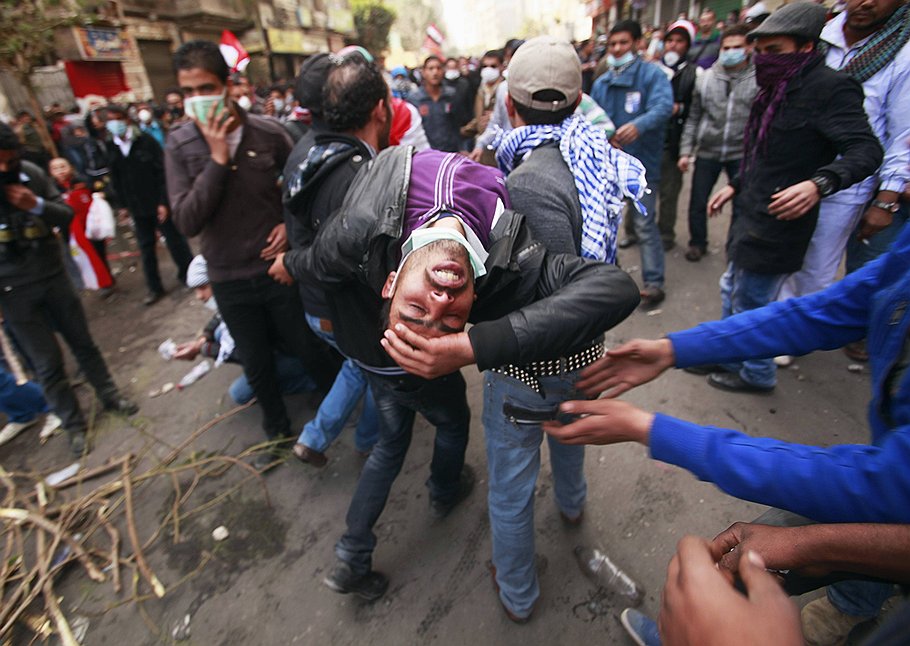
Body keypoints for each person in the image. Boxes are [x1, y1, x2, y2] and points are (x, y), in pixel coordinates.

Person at [277, 144, 640, 603]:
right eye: (449, 323)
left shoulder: (358, 233)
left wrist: (285, 262)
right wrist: (475, 345)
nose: (441, 303)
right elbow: (616, 287)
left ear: (390, 282)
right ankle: (522, 589)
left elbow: (314, 263)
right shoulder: (510, 266)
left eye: (413, 308)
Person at [544, 218, 910, 642]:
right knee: (755, 556)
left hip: (882, 484)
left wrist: (654, 431)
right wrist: (676, 348)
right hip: (887, 479)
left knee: (734, 566)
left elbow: (880, 486)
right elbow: (828, 311)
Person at [490, 35, 645, 623]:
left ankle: (519, 595)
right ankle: (574, 506)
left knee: (510, 486)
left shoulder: (527, 180)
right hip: (585, 352)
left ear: (511, 103)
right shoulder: (597, 158)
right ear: (580, 101)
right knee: (571, 432)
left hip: (529, 362)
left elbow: (539, 293)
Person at [166, 40, 338, 469]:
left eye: (204, 87)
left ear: (227, 86)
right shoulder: (181, 144)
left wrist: (287, 223)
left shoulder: (267, 132)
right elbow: (186, 220)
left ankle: (336, 410)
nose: (196, 100)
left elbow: (304, 186)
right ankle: (276, 435)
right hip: (228, 277)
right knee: (257, 364)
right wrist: (218, 160)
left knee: (308, 346)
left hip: (278, 270)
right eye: (187, 92)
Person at [700, 1, 883, 394]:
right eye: (760, 52)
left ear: (805, 48)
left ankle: (757, 373)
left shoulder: (830, 89)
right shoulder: (773, 88)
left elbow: (866, 151)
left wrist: (819, 183)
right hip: (750, 210)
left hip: (781, 220)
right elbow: (762, 151)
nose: (764, 60)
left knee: (755, 302)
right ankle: (730, 355)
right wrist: (736, 184)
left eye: (775, 51)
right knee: (732, 288)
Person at [272, 53, 382, 467]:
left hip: (315, 298)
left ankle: (319, 437)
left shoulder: (312, 149)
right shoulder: (345, 165)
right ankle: (368, 440)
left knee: (359, 365)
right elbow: (340, 251)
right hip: (331, 298)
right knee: (370, 366)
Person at [0, 123, 137, 456]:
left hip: (53, 277)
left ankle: (110, 396)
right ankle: (73, 423)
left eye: (10, 160)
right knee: (45, 363)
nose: (6, 169)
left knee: (83, 344)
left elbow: (65, 215)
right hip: (12, 292)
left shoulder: (29, 174)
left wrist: (35, 205)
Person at [775, 0, 910, 304]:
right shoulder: (818, 35)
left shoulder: (903, 54)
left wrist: (886, 200)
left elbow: (902, 134)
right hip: (793, 169)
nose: (866, 2)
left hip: (846, 185)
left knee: (816, 268)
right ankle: (771, 326)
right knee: (779, 256)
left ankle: (795, 334)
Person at [590, 19, 673, 307]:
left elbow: (664, 107)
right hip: (609, 165)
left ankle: (654, 282)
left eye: (623, 43)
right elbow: (592, 118)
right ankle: (609, 283)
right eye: (612, 44)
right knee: (606, 222)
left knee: (645, 222)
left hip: (643, 163)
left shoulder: (652, 75)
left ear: (637, 43)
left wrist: (638, 126)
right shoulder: (601, 83)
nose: (617, 49)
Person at [176, 255, 316, 405]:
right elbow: (219, 317)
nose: (199, 296)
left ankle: (315, 380)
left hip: (290, 354)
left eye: (203, 288)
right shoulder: (237, 294)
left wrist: (204, 349)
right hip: (281, 348)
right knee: (217, 333)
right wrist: (204, 338)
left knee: (240, 393)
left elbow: (251, 354)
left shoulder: (248, 306)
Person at [678, 23, 758, 262]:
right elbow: (694, 117)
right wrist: (685, 151)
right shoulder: (706, 80)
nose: (730, 52)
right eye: (726, 47)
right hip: (708, 150)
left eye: (737, 47)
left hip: (741, 152)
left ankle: (735, 247)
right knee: (698, 201)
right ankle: (697, 243)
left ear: (748, 48)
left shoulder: (760, 80)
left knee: (741, 204)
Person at [105, 104, 193, 305]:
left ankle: (188, 274)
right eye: (110, 120)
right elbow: (115, 179)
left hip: (157, 203)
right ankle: (154, 287)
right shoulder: (112, 146)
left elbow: (163, 173)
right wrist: (123, 206)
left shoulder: (145, 141)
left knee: (174, 240)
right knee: (146, 247)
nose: (114, 124)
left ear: (127, 119)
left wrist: (164, 202)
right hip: (136, 207)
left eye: (117, 118)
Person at [656, 20, 700, 251]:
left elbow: (695, 110)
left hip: (673, 142)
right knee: (640, 191)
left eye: (679, 41)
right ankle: (634, 231)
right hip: (651, 142)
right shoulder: (653, 71)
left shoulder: (694, 74)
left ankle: (665, 234)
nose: (673, 46)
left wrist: (678, 109)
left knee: (669, 193)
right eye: (670, 40)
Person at [48, 157, 114, 292]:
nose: (60, 171)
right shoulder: (52, 190)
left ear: (70, 167)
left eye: (62, 166)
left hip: (91, 227)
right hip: (70, 232)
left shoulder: (82, 182)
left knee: (98, 253)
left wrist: (101, 195)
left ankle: (106, 281)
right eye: (55, 168)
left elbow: (101, 191)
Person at [409, 56, 461, 152]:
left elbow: (457, 124)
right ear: (424, 72)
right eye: (431, 69)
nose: (435, 72)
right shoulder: (414, 98)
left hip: (449, 151)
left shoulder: (451, 94)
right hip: (426, 152)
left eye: (438, 68)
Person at [460, 49, 504, 163]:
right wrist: (465, 130)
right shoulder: (481, 90)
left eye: (493, 66)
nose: (488, 70)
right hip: (482, 150)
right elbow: (480, 118)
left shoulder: (506, 89)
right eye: (485, 66)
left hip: (500, 150)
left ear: (501, 67)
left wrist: (496, 116)